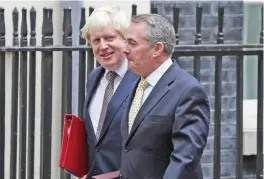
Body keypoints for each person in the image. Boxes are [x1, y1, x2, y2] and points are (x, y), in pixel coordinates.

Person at [120, 14, 210, 179]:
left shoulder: (188, 91)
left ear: (157, 49)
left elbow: (185, 159)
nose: (124, 49)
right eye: (126, 41)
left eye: (132, 43)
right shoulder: (138, 84)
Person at [79, 6, 138, 179]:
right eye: (96, 40)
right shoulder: (94, 77)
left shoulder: (141, 79)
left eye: (110, 38)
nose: (103, 46)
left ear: (125, 39)